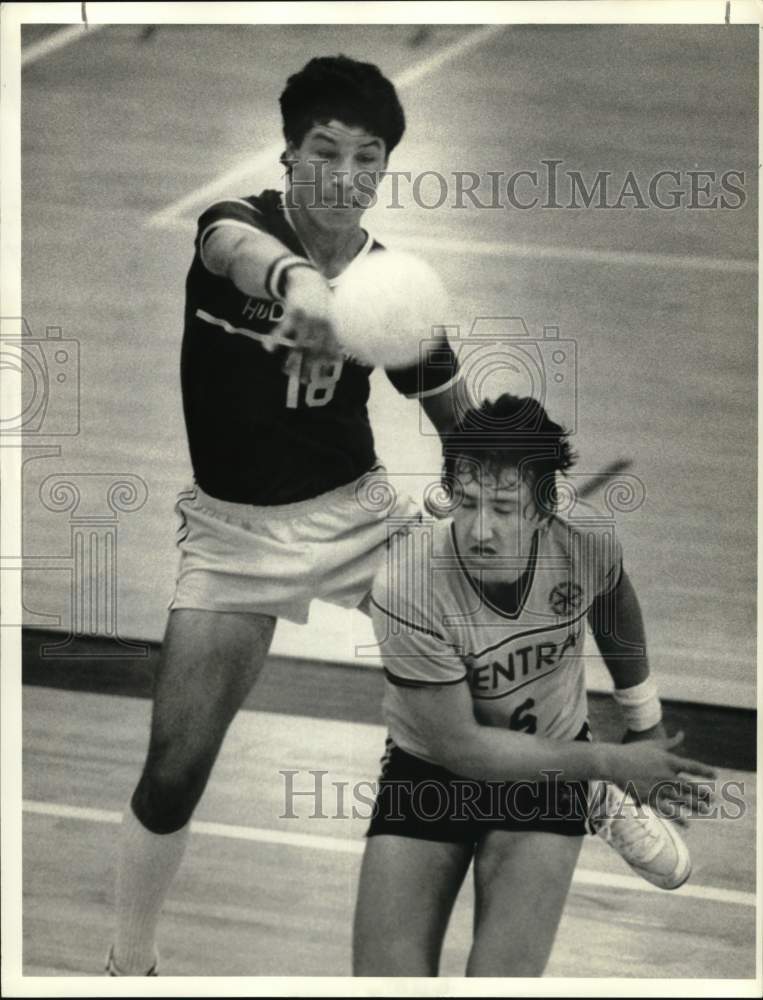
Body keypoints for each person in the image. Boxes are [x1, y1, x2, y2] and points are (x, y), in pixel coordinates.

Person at [107, 55, 462, 976]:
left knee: (493, 655)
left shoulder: (390, 288)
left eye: (366, 159)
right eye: (325, 152)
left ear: (384, 170)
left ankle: (595, 790)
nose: (344, 177)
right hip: (232, 540)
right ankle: (128, 964)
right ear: (289, 152)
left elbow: (457, 420)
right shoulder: (238, 227)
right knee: (174, 769)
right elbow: (236, 252)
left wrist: (494, 471)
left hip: (358, 521)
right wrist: (303, 286)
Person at [353, 393, 716, 977]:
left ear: (545, 509)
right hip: (434, 769)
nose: (480, 530)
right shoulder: (405, 584)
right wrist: (606, 764)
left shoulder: (585, 539)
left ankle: (588, 786)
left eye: (503, 507)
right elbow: (461, 747)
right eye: (467, 503)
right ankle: (598, 789)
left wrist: (642, 719)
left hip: (549, 772)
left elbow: (613, 597)